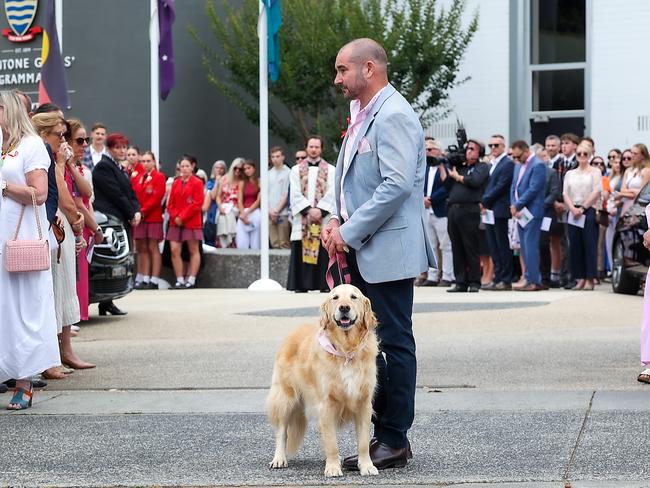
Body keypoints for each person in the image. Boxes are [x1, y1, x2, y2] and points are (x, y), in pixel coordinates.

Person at [323, 38, 435, 471]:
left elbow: (396, 185)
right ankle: (379, 434)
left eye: (341, 70)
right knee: (372, 344)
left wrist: (349, 231)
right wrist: (336, 220)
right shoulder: (362, 115)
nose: (337, 79)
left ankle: (394, 440)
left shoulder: (394, 114)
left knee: (394, 344)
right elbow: (354, 182)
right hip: (365, 245)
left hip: (386, 249)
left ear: (368, 69)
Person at [0, 90, 61, 409]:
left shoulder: (31, 145)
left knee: (23, 309)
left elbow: (40, 193)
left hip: (19, 239)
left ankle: (24, 383)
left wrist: (4, 186)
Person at [92, 133, 141, 315]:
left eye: (124, 147)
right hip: (111, 218)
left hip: (121, 218)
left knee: (119, 261)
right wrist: (131, 213)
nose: (122, 151)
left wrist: (136, 211)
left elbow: (129, 192)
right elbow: (116, 194)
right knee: (110, 261)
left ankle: (107, 302)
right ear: (109, 148)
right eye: (118, 147)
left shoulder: (117, 167)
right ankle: (106, 302)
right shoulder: (104, 167)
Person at [65, 119, 104, 322]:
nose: (85, 145)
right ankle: (71, 322)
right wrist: (96, 228)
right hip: (74, 230)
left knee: (79, 278)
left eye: (86, 140)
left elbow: (87, 194)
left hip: (83, 230)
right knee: (74, 280)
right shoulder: (64, 168)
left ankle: (74, 320)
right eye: (80, 141)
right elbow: (79, 203)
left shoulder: (79, 168)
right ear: (67, 142)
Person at [440, 139, 490, 292]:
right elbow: (447, 185)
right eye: (468, 148)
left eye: (473, 149)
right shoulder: (459, 168)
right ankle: (460, 281)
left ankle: (474, 281)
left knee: (470, 246)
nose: (469, 151)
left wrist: (457, 177)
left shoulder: (482, 167)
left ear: (479, 152)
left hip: (470, 210)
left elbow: (475, 181)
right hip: (453, 210)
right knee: (457, 247)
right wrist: (445, 165)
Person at [287, 136, 335, 292]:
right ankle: (301, 285)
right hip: (303, 218)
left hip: (323, 217)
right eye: (311, 146)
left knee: (323, 249)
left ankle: (324, 285)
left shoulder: (331, 169)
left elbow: (333, 192)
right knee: (301, 247)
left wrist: (320, 210)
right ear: (306, 147)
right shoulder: (296, 170)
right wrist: (308, 209)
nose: (314, 149)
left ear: (321, 149)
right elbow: (294, 193)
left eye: (317, 147)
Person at [562, 142, 601, 290]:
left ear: (590, 155)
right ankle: (579, 277)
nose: (582, 157)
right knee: (575, 246)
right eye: (579, 154)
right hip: (573, 210)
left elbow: (597, 191)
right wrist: (572, 208)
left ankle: (590, 278)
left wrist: (583, 207)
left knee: (589, 244)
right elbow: (565, 193)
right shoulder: (570, 173)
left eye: (585, 154)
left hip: (588, 210)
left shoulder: (595, 172)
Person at [510, 140, 547, 291]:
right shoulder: (518, 165)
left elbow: (534, 189)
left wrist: (518, 205)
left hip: (532, 211)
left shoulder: (538, 165)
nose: (516, 159)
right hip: (520, 213)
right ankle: (527, 277)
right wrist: (513, 204)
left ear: (526, 152)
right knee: (524, 248)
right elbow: (514, 187)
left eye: (518, 156)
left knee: (531, 247)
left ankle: (534, 280)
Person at [417, 137, 453, 287]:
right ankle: (432, 276)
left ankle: (447, 275)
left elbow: (447, 187)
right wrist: (422, 198)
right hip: (426, 210)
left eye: (430, 150)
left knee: (445, 245)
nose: (427, 152)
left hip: (440, 209)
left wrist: (431, 199)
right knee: (430, 246)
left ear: (438, 151)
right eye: (425, 150)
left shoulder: (445, 165)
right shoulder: (423, 167)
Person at [481, 135, 514, 290]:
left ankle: (505, 279)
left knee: (502, 245)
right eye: (491, 145)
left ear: (503, 146)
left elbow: (502, 185)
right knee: (493, 245)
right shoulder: (491, 164)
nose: (493, 148)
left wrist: (485, 200)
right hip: (489, 209)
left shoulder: (507, 163)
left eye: (496, 145)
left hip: (499, 208)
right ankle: (498, 277)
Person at [167, 156, 204, 288]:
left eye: (187, 166)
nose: (184, 169)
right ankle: (180, 279)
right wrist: (175, 216)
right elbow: (170, 203)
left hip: (191, 221)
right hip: (175, 222)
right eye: (182, 166)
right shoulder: (176, 182)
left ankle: (191, 279)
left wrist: (182, 217)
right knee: (174, 250)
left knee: (193, 249)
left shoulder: (198, 182)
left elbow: (197, 203)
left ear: (193, 166)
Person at [132, 151, 166, 289]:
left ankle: (155, 278)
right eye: (143, 161)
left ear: (154, 162)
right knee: (141, 247)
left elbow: (156, 197)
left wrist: (142, 211)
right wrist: (136, 211)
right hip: (140, 216)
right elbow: (133, 195)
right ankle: (143, 276)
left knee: (153, 246)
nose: (145, 164)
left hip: (152, 216)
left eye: (148, 161)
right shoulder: (138, 177)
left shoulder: (159, 177)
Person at [615, 143, 650, 217]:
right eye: (631, 152)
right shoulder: (628, 170)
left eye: (635, 153)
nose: (632, 155)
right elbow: (622, 189)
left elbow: (642, 193)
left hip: (638, 206)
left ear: (643, 155)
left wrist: (622, 194)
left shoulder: (647, 171)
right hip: (626, 204)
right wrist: (634, 191)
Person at [215, 158, 243, 248]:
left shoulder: (242, 181)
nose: (237, 170)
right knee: (223, 216)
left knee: (229, 214)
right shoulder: (224, 179)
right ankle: (225, 241)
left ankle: (230, 240)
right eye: (235, 168)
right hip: (223, 207)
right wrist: (220, 207)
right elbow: (218, 196)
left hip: (236, 208)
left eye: (240, 169)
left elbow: (241, 199)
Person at [268, 146, 291, 249]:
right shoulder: (268, 173)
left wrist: (276, 211)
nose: (275, 159)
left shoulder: (288, 172)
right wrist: (270, 211)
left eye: (277, 156)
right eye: (273, 157)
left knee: (284, 243)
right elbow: (264, 194)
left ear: (283, 157)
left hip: (283, 213)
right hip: (269, 213)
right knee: (274, 243)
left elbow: (286, 194)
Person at [236, 159, 261, 249]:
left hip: (255, 211)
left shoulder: (259, 182)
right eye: (245, 169)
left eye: (249, 168)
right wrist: (243, 214)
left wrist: (246, 213)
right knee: (242, 240)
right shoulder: (242, 183)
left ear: (254, 169)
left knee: (256, 240)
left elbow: (258, 201)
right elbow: (239, 200)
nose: (247, 171)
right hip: (243, 211)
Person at [203, 160, 226, 247]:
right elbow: (212, 196)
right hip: (212, 211)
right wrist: (217, 182)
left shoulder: (227, 181)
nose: (219, 170)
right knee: (211, 234)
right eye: (217, 168)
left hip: (222, 209)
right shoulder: (210, 183)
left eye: (221, 168)